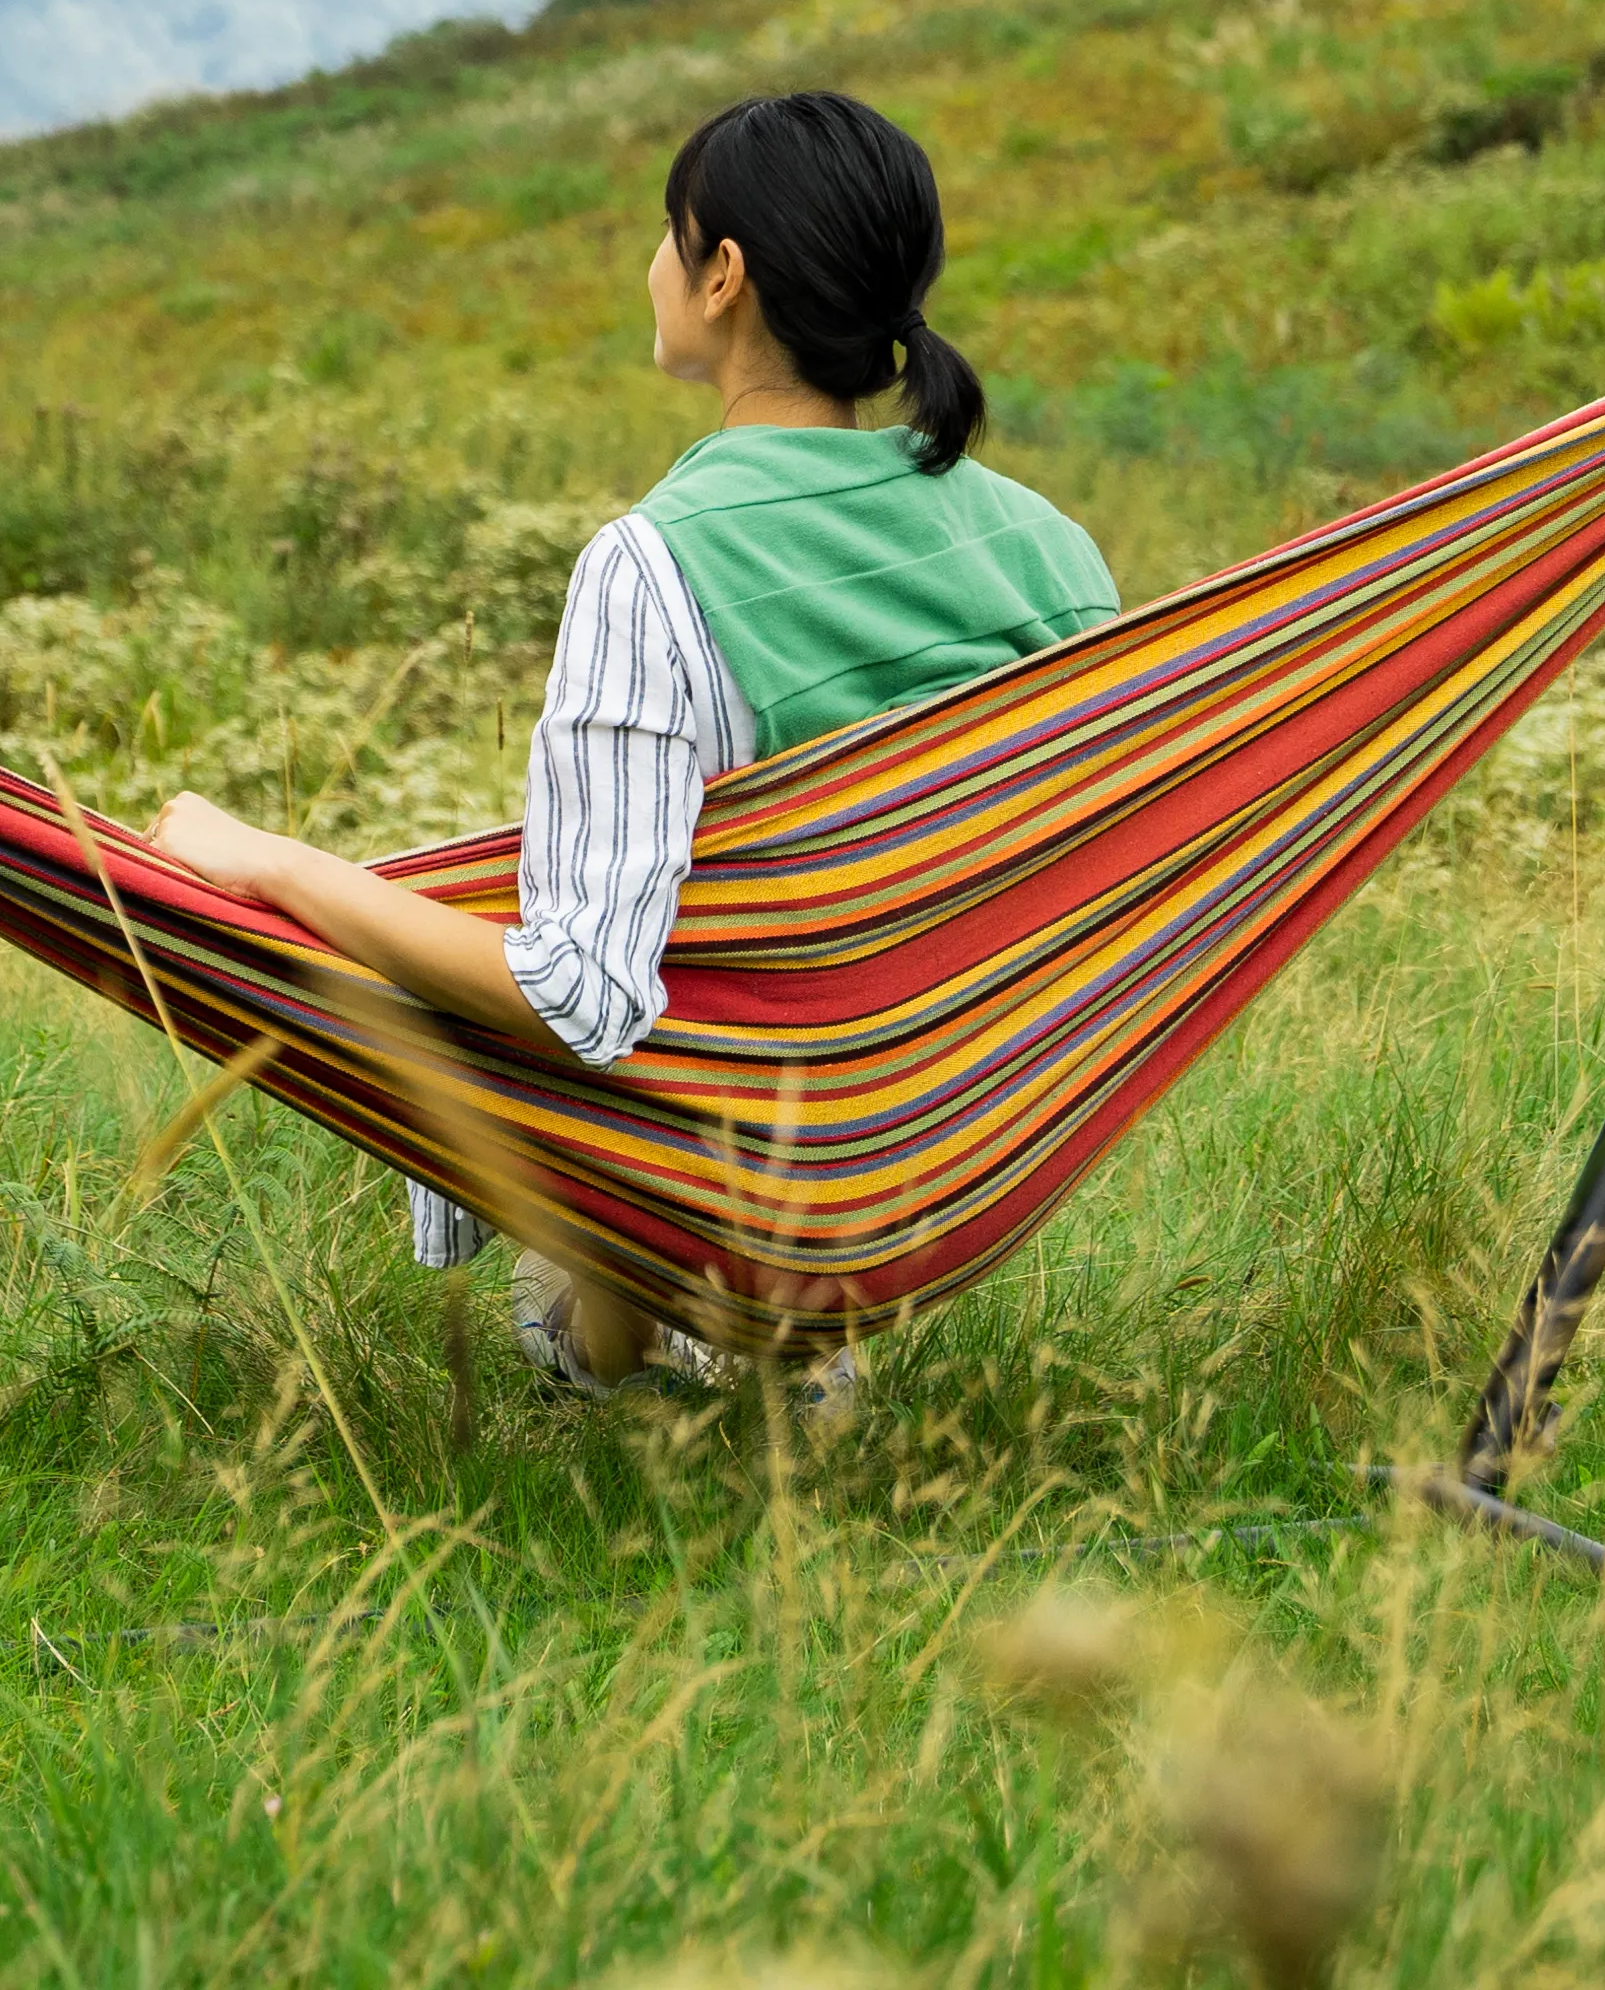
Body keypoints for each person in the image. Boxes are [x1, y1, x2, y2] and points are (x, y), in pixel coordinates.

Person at [148, 86, 1115, 1401]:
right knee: (694, 906)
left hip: (754, 1173)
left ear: (725, 276)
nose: (650, 262)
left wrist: (281, 869)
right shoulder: (1049, 552)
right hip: (958, 1136)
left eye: (671, 232)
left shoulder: (657, 569)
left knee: (491, 940)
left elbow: (580, 999)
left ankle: (615, 1362)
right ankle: (688, 1356)